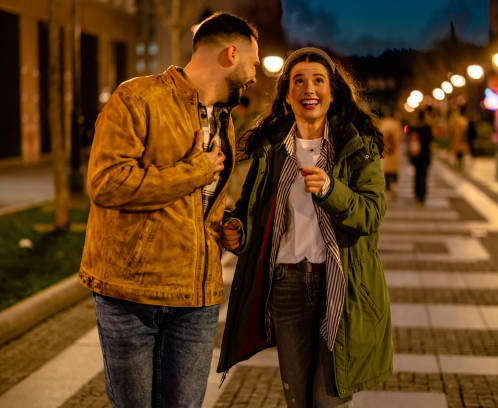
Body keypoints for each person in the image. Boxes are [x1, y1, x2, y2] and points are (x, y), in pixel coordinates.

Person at [78, 12, 259, 408]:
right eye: (253, 63)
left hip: (197, 299)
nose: (255, 76)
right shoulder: (138, 98)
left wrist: (228, 225)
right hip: (132, 293)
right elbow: (107, 184)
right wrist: (193, 171)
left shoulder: (223, 121)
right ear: (231, 53)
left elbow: (200, 201)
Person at [217, 47, 393, 407]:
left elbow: (371, 214)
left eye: (318, 81)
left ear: (332, 92)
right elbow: (249, 208)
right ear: (286, 93)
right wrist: (237, 229)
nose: (308, 89)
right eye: (298, 81)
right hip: (287, 287)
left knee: (328, 399)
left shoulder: (355, 146)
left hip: (341, 285)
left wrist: (330, 189)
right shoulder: (272, 148)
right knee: (297, 400)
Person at [378, 107, 403, 199]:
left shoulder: (382, 123)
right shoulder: (397, 124)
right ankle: (393, 187)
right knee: (393, 171)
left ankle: (387, 189)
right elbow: (400, 137)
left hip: (384, 152)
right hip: (394, 152)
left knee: (385, 170)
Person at [409, 110, 433, 204]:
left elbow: (409, 138)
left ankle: (417, 192)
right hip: (425, 154)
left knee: (417, 174)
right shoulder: (427, 127)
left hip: (416, 154)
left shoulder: (414, 127)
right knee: (423, 175)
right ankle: (422, 194)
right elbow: (430, 140)